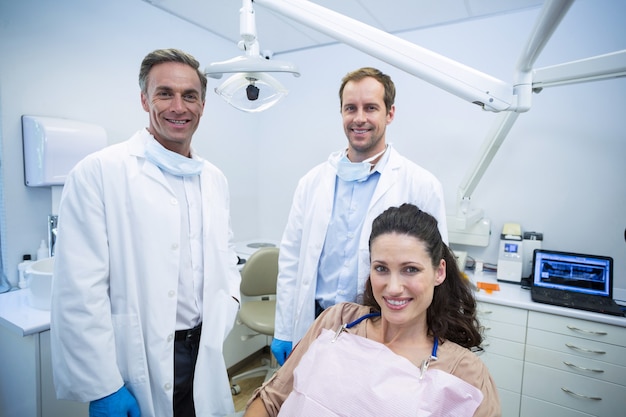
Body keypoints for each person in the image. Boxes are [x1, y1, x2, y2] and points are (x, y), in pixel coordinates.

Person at [50, 48, 241, 417]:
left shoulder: (214, 178)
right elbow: (79, 291)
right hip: (138, 357)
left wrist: (229, 300)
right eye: (164, 93)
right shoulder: (99, 173)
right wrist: (102, 385)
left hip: (203, 346)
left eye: (190, 96)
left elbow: (225, 252)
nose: (178, 107)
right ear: (144, 99)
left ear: (203, 105)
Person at [245, 203, 500, 416]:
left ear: (439, 272)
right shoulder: (338, 321)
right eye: (381, 268)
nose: (393, 287)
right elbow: (269, 400)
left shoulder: (465, 374)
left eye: (410, 269)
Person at [271, 67, 448, 365]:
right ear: (341, 113)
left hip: (384, 325)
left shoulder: (421, 184)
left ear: (390, 114)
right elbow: (291, 260)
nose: (359, 118)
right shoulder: (312, 182)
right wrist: (285, 329)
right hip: (315, 321)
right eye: (350, 108)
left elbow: (435, 272)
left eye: (371, 108)